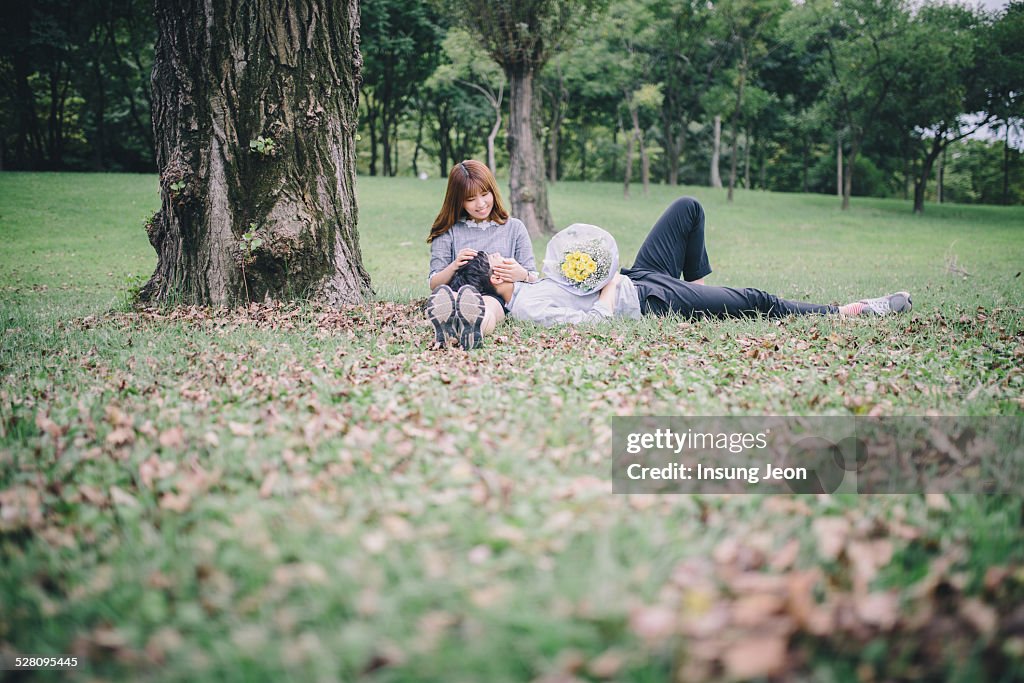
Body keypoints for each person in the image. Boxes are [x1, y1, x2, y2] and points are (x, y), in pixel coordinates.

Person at [445, 197, 912, 331]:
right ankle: (850, 311)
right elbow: (596, 320)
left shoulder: (527, 285)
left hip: (639, 277)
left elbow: (562, 276)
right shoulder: (527, 309)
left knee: (687, 209)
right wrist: (609, 281)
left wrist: (602, 265)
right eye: (496, 258)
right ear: (494, 276)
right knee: (756, 301)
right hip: (646, 298)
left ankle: (706, 297)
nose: (504, 255)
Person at [424, 160, 538, 349]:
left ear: (493, 191)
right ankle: (447, 325)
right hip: (455, 291)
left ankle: (469, 330)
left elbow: (535, 279)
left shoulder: (514, 228)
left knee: (485, 308)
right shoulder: (448, 230)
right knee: (449, 299)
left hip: (494, 296)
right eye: (470, 199)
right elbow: (434, 283)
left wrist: (523, 274)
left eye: (485, 194)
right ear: (458, 200)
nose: (480, 204)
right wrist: (454, 266)